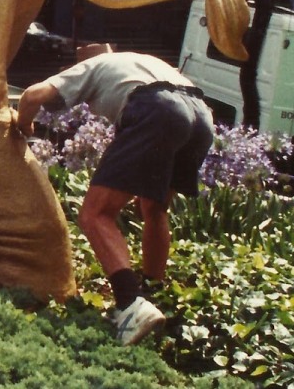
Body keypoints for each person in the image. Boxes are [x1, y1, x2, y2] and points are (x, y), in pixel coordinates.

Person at [16, 42, 214, 345]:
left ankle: (130, 304)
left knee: (95, 214)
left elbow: (33, 95)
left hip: (157, 109)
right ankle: (151, 295)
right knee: (155, 209)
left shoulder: (92, 66)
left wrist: (24, 124)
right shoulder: (140, 58)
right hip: (200, 116)